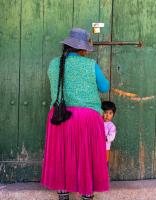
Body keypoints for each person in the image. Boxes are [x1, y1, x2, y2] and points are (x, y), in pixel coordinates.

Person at [41, 28, 110, 200]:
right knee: (88, 158)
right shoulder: (90, 65)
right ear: (82, 49)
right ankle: (87, 195)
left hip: (59, 117)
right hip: (87, 119)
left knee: (61, 157)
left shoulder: (54, 64)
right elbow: (104, 87)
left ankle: (63, 195)